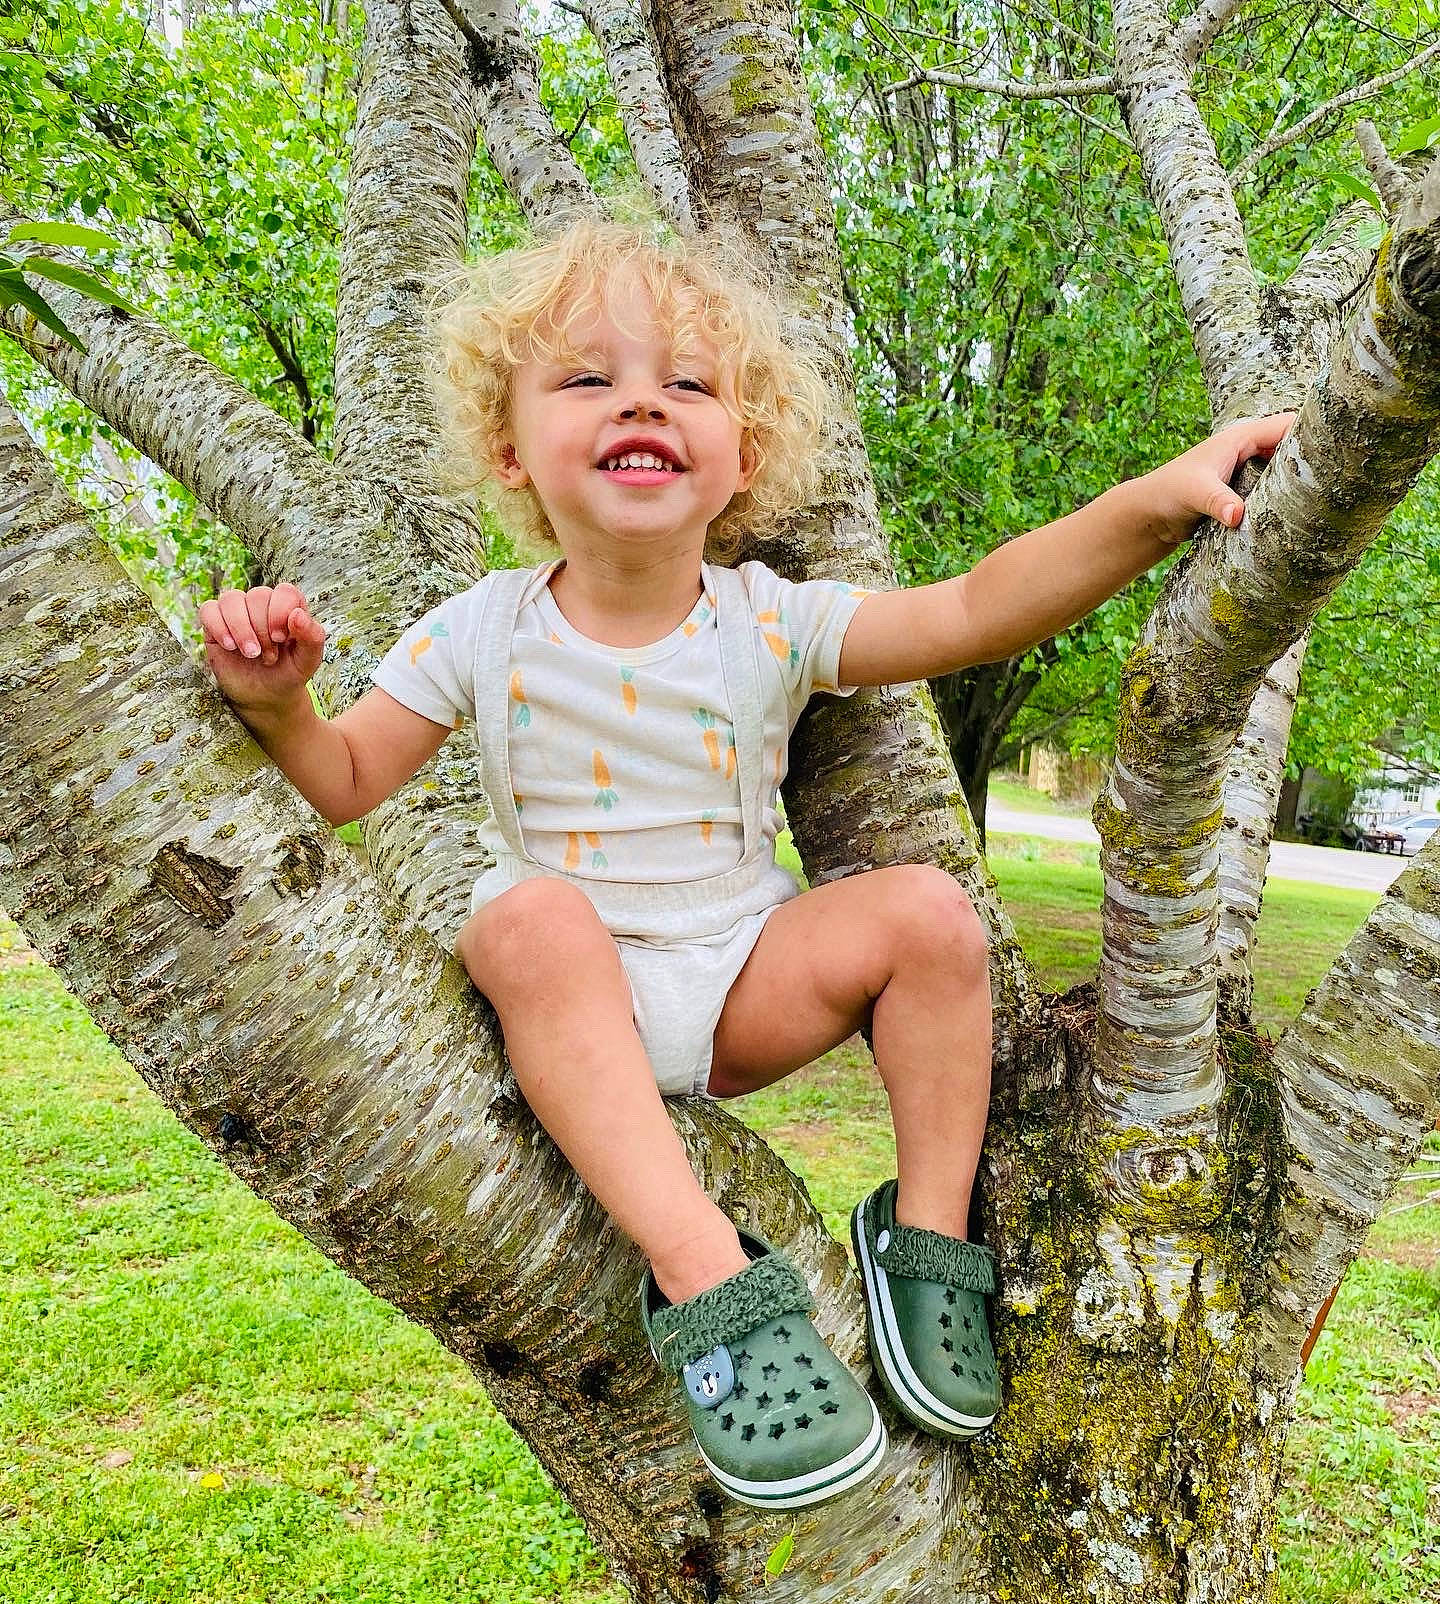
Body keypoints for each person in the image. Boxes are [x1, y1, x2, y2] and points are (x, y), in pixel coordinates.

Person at [199, 220, 1290, 1513]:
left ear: (741, 458)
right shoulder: (477, 627)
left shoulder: (767, 618)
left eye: (688, 383)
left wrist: (1154, 501)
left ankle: (928, 1245)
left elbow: (972, 607)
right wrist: (278, 707)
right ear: (510, 449)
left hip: (736, 988)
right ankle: (707, 1275)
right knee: (529, 921)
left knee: (931, 916)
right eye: (587, 378)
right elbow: (344, 780)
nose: (642, 400)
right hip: (575, 1000)